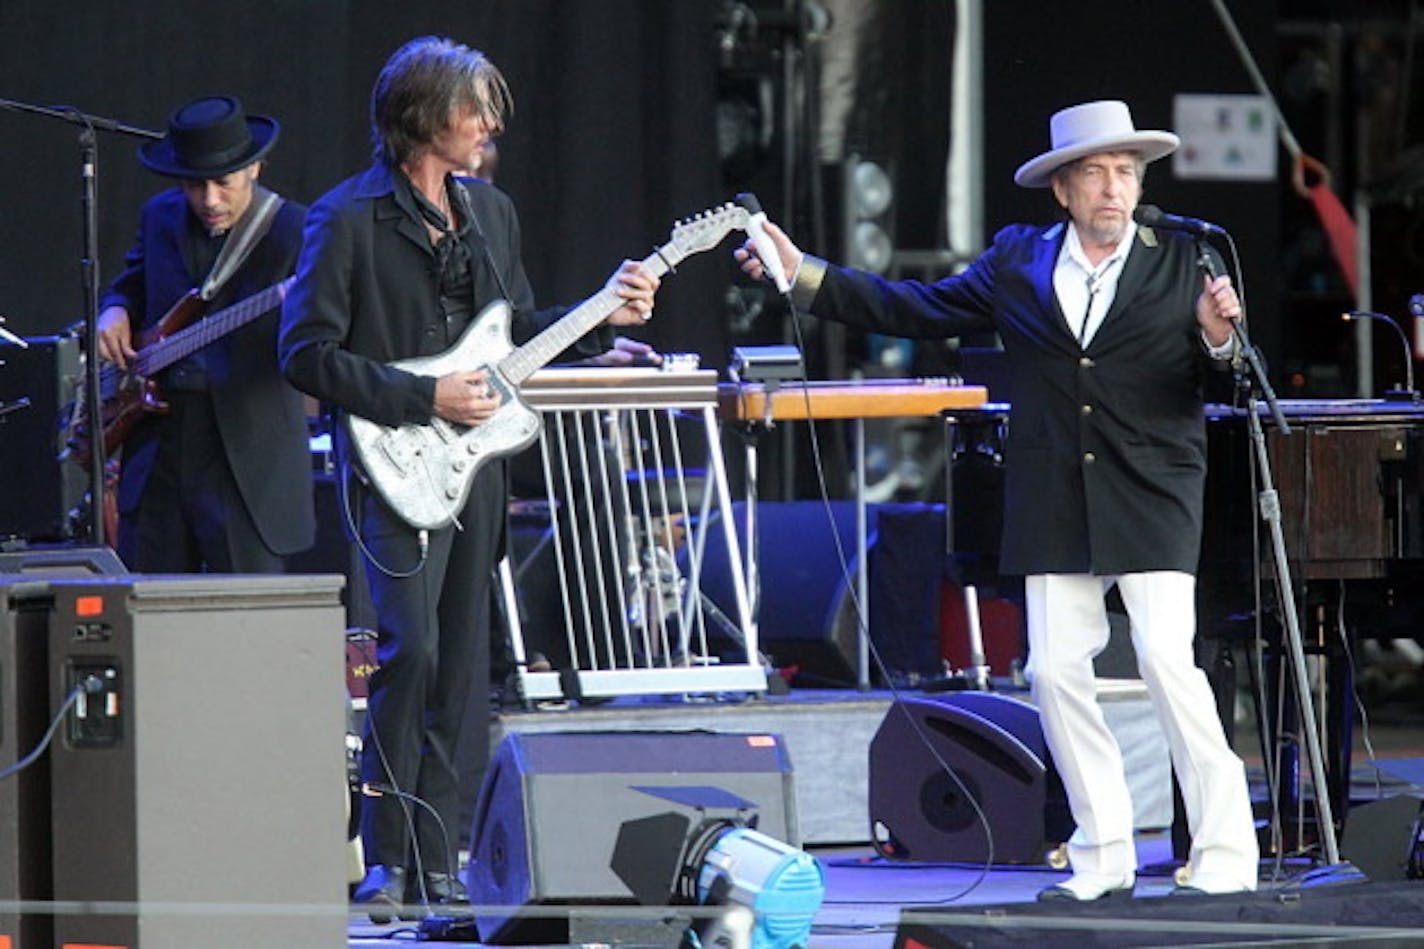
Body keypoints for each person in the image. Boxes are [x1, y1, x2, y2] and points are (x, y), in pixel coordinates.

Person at [737, 100, 1259, 900]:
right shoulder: (1019, 260)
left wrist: (1219, 336)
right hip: (1055, 490)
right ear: (1062, 189)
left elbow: (1226, 376)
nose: (1113, 188)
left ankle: (1226, 852)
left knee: (1165, 661)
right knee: (1053, 671)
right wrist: (804, 272)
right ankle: (1104, 850)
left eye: (1125, 172)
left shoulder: (1185, 257)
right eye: (1095, 173)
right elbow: (916, 308)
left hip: (1154, 484)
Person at [278, 36, 660, 918]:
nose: (489, 124)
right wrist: (424, 394)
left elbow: (515, 331)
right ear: (421, 118)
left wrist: (604, 315)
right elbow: (303, 353)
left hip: (475, 471)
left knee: (461, 665)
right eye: (472, 108)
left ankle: (440, 856)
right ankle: (384, 860)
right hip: (393, 463)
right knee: (409, 654)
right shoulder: (344, 217)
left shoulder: (491, 213)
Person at [95, 96, 314, 573]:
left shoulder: (298, 230)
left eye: (223, 183)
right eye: (195, 184)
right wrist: (112, 309)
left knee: (248, 625)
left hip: (247, 458)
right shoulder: (159, 215)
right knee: (150, 619)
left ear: (254, 169)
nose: (209, 200)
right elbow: (131, 284)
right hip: (159, 445)